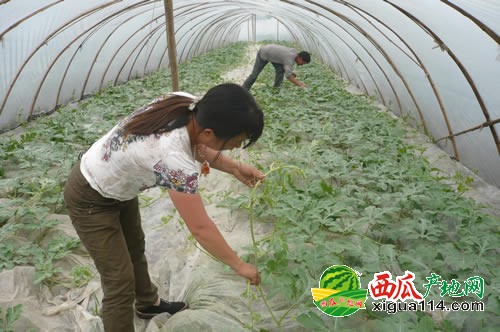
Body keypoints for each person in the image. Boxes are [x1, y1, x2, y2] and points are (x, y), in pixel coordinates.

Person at [63, 83, 264, 332]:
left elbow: (197, 144)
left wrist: (234, 167)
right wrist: (239, 265)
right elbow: (200, 227)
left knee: (135, 247)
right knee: (119, 282)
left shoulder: (186, 104)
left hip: (118, 186)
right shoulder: (172, 158)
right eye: (236, 141)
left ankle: (148, 304)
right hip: (90, 198)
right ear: (211, 132)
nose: (235, 147)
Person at [242, 44, 311, 91]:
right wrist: (301, 85)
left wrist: (291, 72)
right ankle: (243, 90)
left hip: (273, 54)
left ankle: (276, 90)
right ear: (300, 58)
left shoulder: (294, 52)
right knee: (254, 74)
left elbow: (286, 65)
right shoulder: (289, 58)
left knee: (280, 70)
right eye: (303, 63)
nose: (302, 65)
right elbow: (289, 76)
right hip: (264, 53)